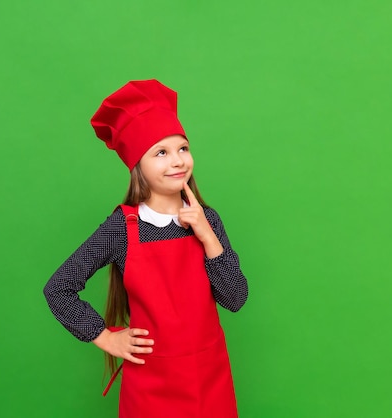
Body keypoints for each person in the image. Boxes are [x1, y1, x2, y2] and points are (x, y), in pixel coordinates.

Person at [43, 79, 249, 418]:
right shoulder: (121, 230)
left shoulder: (207, 219)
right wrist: (105, 337)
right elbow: (58, 289)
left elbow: (235, 298)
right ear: (138, 165)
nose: (178, 161)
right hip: (152, 386)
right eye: (162, 153)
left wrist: (207, 235)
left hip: (209, 377)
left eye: (183, 148)